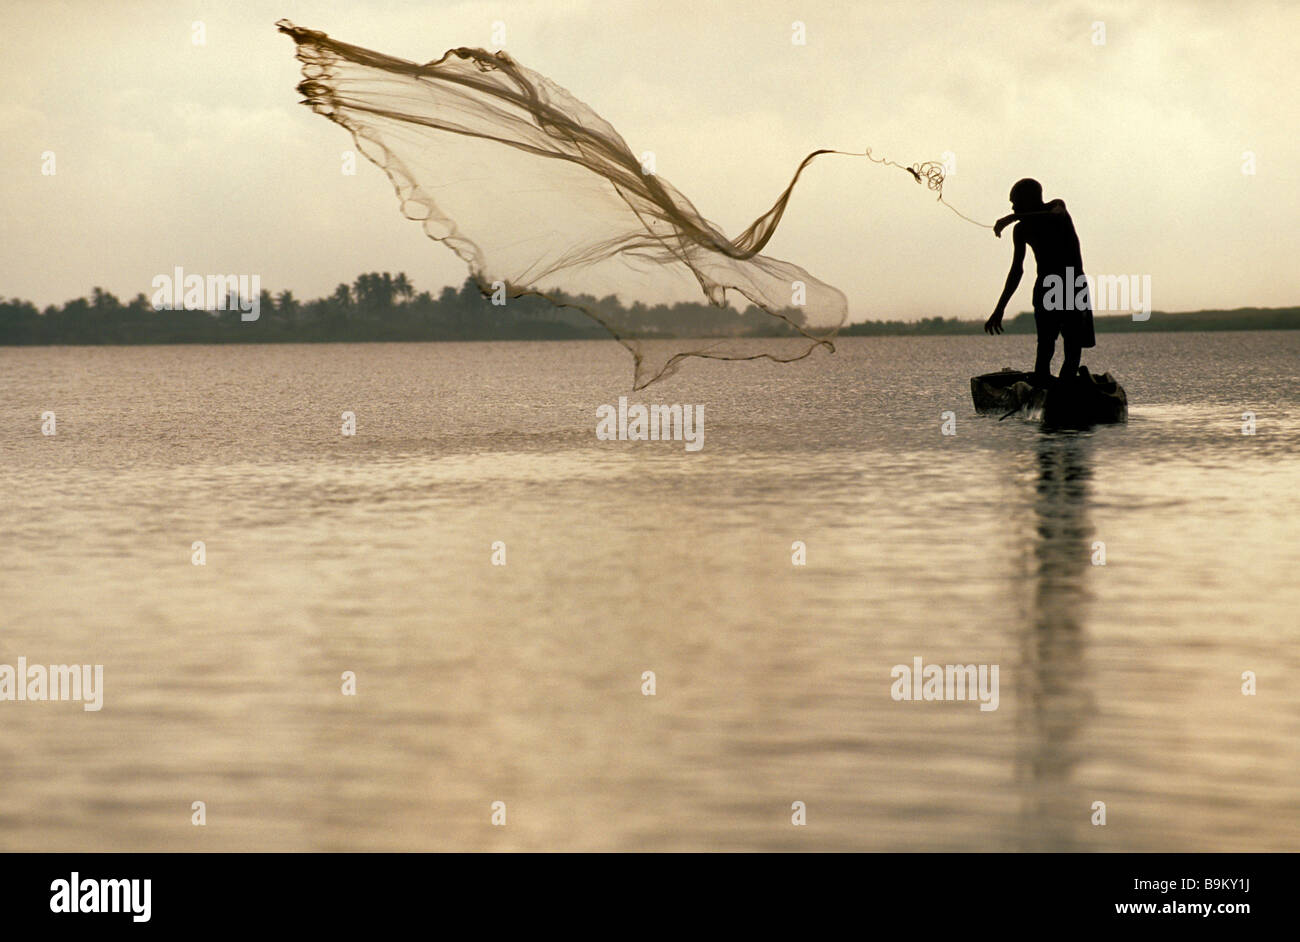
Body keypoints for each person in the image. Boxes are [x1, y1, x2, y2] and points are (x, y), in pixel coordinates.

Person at [984, 178, 1096, 386]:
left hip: (1072, 283)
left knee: (1073, 345)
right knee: (1045, 345)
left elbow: (1056, 214)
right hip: (1047, 287)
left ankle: (1067, 386)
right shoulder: (1022, 230)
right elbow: (1016, 271)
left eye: (1016, 202)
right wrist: (1000, 309)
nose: (1013, 207)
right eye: (1012, 205)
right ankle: (1044, 387)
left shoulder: (1056, 208)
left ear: (1030, 199)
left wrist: (1010, 218)